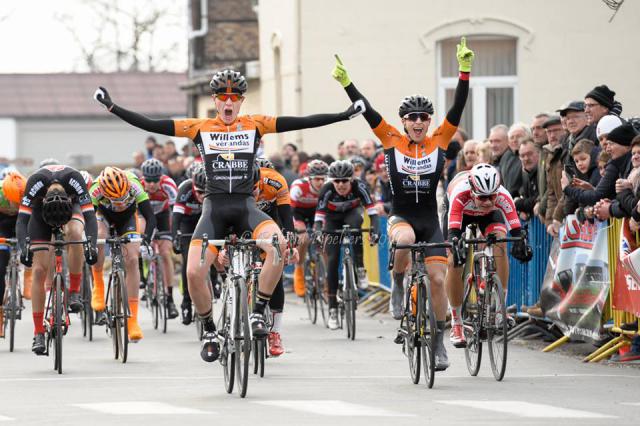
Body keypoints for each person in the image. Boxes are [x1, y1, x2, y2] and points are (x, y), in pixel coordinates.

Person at [94, 68, 364, 362]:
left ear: (241, 101)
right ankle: (210, 329)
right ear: (214, 99)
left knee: (279, 246)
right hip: (215, 211)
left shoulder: (254, 125)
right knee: (194, 272)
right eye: (222, 97)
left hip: (248, 209)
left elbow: (301, 122)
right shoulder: (200, 127)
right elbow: (152, 124)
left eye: (234, 98)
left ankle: (259, 311)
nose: (228, 102)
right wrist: (113, 107)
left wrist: (343, 115)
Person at [332, 37, 472, 371]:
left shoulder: (439, 140)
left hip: (430, 219)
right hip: (402, 217)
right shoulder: (392, 139)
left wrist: (464, 71)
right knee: (406, 241)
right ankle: (397, 285)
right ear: (404, 121)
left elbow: (457, 108)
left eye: (424, 117)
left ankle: (439, 345)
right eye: (412, 118)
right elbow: (369, 112)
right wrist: (348, 84)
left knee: (438, 281)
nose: (419, 122)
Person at [444, 163, 532, 347]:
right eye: (482, 197)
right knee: (454, 261)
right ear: (473, 191)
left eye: (491, 197)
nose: (487, 202)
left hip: (489, 217)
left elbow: (516, 230)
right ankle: (457, 322)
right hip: (461, 215)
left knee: (500, 242)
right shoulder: (460, 193)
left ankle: (500, 309)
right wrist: (455, 244)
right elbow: (453, 231)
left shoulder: (503, 195)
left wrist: (520, 244)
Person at [16, 165, 99, 354]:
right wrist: (24, 248)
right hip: (40, 213)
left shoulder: (74, 178)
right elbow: (21, 220)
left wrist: (91, 245)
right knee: (38, 270)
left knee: (76, 234)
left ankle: (75, 291)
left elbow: (91, 217)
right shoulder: (35, 182)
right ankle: (38, 332)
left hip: (72, 208)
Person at [89, 167, 156, 342]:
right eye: (114, 199)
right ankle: (98, 285)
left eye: (122, 198)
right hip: (103, 217)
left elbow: (150, 216)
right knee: (99, 237)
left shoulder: (134, 184)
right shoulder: (95, 190)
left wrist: (146, 239)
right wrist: (90, 244)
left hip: (128, 219)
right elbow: (87, 220)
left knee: (133, 260)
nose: (118, 202)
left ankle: (132, 320)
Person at [313, 161, 379, 329]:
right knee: (333, 260)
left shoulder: (360, 187)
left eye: (344, 181)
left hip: (352, 214)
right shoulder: (326, 189)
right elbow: (319, 216)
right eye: (337, 181)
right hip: (332, 220)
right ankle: (333, 308)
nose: (341, 185)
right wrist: (320, 232)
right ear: (331, 181)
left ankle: (360, 269)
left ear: (351, 179)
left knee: (356, 226)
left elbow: (372, 212)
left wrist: (375, 230)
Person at [253, 158, 296, 356]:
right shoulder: (239, 183)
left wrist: (290, 245)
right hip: (246, 222)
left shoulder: (275, 181)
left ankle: (275, 332)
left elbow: (287, 218)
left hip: (271, 223)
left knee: (275, 272)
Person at [140, 158, 179, 319]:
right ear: (144, 178)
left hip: (163, 216)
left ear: (161, 177)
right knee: (138, 243)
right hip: (143, 215)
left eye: (155, 180)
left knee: (164, 253)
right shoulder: (139, 186)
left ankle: (170, 299)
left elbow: (175, 211)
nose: (151, 184)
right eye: (148, 180)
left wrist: (174, 234)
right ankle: (142, 278)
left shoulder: (168, 186)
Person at [172, 163, 207, 325]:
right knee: (189, 262)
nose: (202, 196)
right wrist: (175, 237)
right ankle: (186, 302)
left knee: (212, 254)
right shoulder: (185, 188)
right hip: (187, 222)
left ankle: (213, 280)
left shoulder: (212, 190)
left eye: (205, 193)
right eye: (199, 192)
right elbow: (176, 217)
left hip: (205, 221)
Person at [290, 159, 329, 297]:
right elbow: (289, 210)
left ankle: (325, 279)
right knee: (304, 238)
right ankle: (299, 268)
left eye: (323, 179)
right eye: (317, 179)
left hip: (316, 213)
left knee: (324, 241)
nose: (320, 182)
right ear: (309, 178)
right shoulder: (298, 186)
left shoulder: (328, 186)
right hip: (298, 213)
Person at [0, 171, 27, 337]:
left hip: (22, 222)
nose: (15, 207)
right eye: (13, 203)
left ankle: (28, 275)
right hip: (2, 224)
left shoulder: (28, 194)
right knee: (0, 266)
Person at [490, 124, 522, 197]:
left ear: (508, 140)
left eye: (497, 141)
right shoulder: (497, 160)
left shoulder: (514, 159)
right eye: (491, 141)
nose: (493, 145)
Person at [514, 139, 541, 220]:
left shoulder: (544, 172)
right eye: (522, 156)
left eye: (529, 154)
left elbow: (538, 198)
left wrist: (517, 203)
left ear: (539, 153)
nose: (526, 158)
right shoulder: (524, 173)